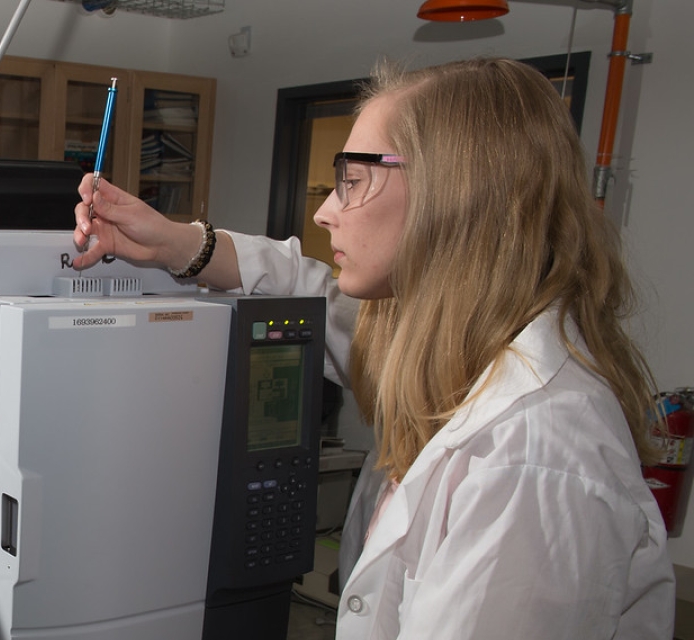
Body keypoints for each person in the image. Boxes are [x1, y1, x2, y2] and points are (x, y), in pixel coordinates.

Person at [71, 57, 673, 639]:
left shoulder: (529, 456)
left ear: (454, 194)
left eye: (352, 181)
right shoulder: (451, 352)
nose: (325, 212)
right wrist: (173, 244)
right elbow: (307, 292)